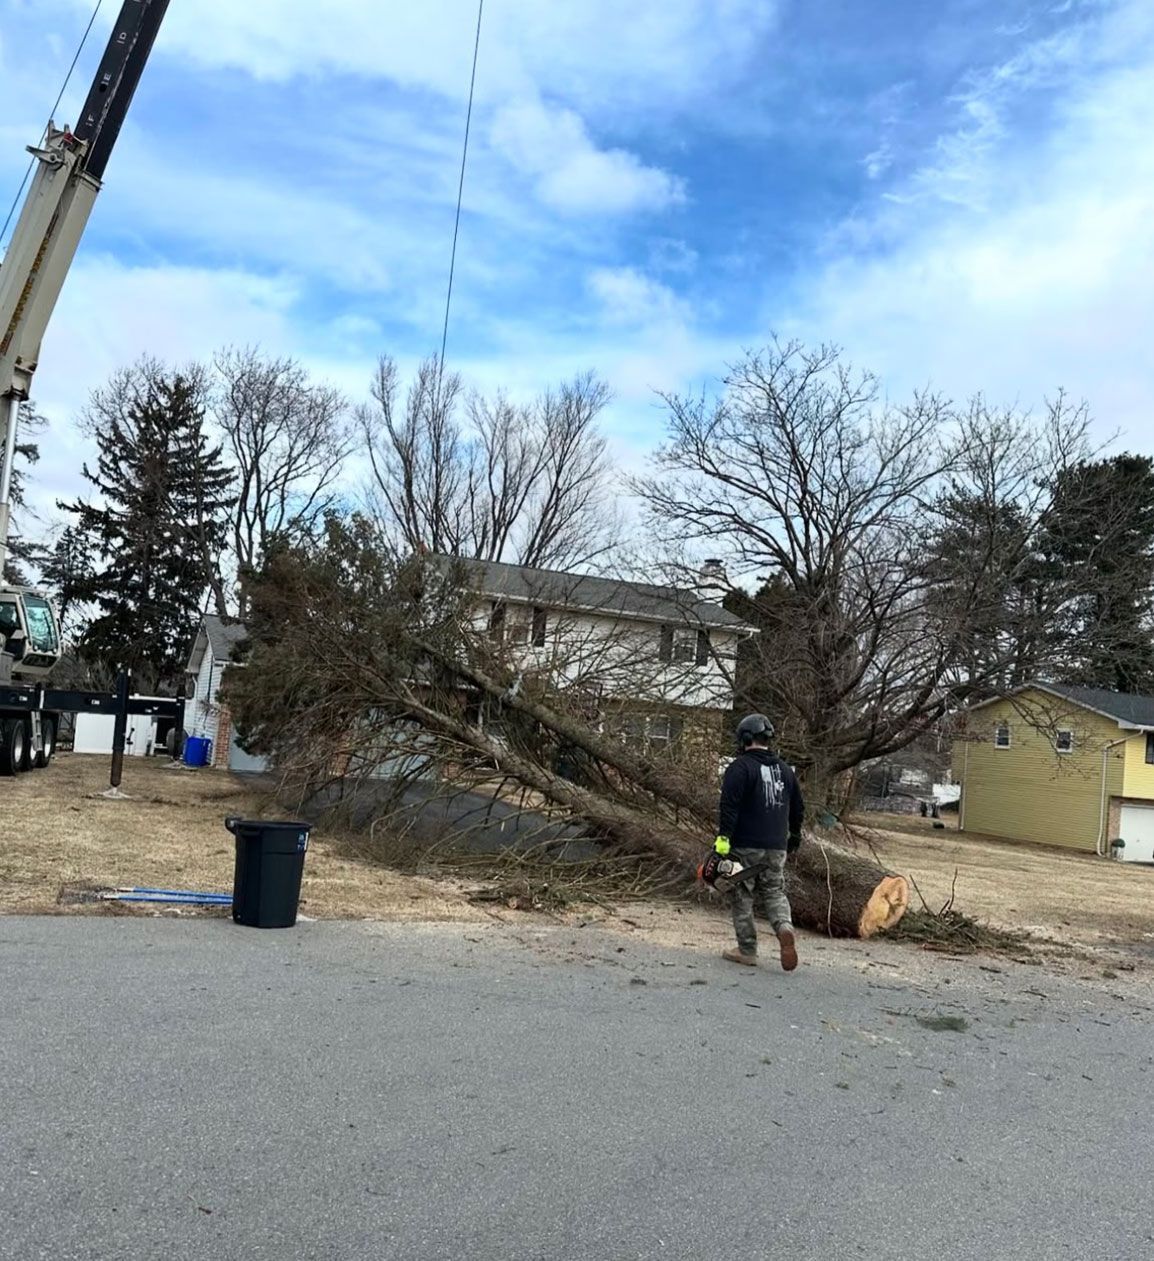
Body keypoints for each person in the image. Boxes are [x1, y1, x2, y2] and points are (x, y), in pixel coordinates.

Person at [714, 713, 804, 971]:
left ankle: (747, 949)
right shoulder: (786, 771)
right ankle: (784, 927)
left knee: (742, 894)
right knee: (774, 891)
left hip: (746, 845)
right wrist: (794, 835)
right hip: (777, 845)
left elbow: (728, 808)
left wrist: (722, 844)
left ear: (744, 738)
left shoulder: (740, 768)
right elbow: (798, 808)